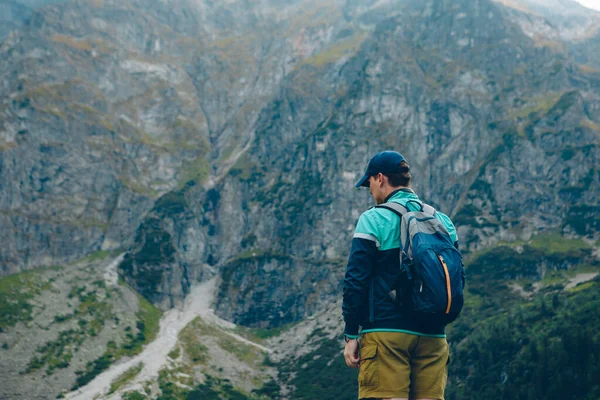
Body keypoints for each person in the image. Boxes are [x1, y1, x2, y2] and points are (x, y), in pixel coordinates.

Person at [342, 151, 459, 400]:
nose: (370, 190)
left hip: (387, 334)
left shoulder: (373, 219)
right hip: (434, 336)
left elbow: (355, 280)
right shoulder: (443, 222)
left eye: (370, 183)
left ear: (381, 178)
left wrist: (352, 334)